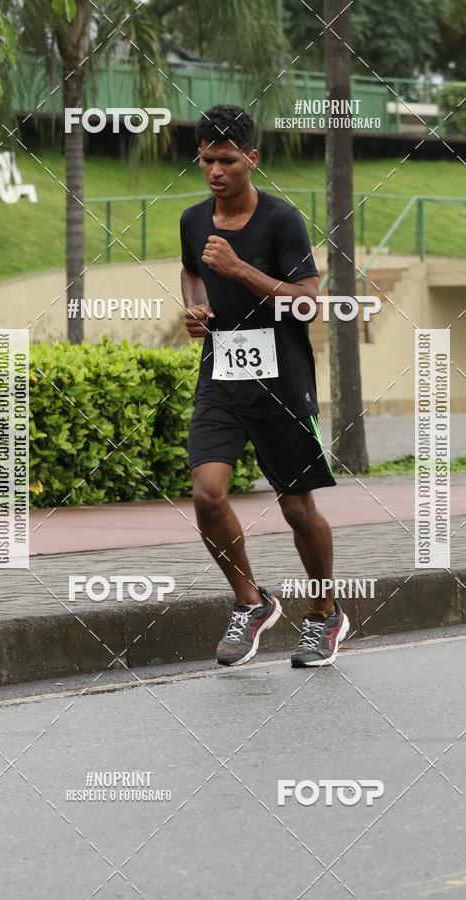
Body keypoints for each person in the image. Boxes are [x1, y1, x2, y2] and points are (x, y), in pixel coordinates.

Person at [179, 104, 349, 668]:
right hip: (221, 374)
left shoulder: (281, 221)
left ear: (252, 158)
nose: (215, 172)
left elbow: (307, 301)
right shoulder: (192, 220)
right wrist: (196, 305)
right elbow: (192, 272)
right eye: (206, 160)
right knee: (207, 493)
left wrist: (240, 271)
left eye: (227, 160)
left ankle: (326, 615)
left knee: (297, 509)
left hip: (281, 379)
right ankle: (251, 602)